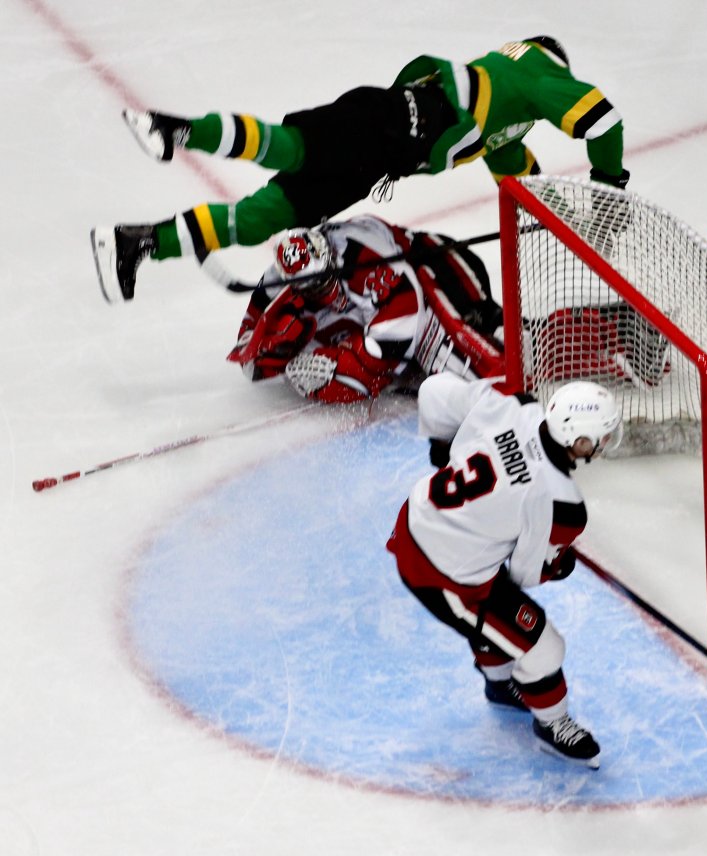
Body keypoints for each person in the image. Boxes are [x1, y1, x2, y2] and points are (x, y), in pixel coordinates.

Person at [90, 36, 629, 302]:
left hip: (382, 156)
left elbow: (522, 183)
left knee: (264, 217)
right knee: (291, 147)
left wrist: (565, 220)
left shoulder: (509, 119)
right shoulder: (539, 72)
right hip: (390, 121)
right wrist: (607, 191)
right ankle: (175, 128)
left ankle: (137, 242)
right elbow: (604, 122)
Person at [385, 375, 623, 768]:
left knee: (500, 615)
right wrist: (560, 562)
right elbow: (529, 573)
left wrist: (442, 447)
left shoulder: (515, 405)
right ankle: (553, 725)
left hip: (417, 517)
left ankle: (500, 686)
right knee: (543, 646)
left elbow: (434, 393)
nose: (602, 445)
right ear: (579, 441)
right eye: (600, 437)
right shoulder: (563, 506)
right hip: (442, 574)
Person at [228, 214, 505, 403]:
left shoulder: (362, 255)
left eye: (323, 280)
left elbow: (406, 321)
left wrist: (339, 364)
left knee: (473, 352)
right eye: (310, 287)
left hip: (435, 266)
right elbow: (249, 357)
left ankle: (517, 343)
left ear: (330, 258)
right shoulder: (279, 281)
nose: (320, 290)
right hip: (387, 311)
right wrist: (284, 357)